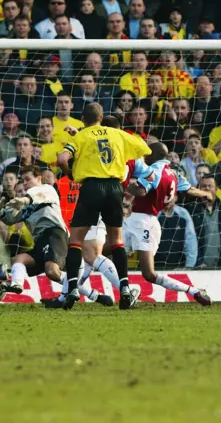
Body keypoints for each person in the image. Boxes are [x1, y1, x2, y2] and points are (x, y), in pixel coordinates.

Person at [57, 103, 151, 310]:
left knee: (76, 241)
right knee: (116, 241)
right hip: (114, 188)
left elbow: (62, 158)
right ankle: (125, 289)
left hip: (91, 187)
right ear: (101, 117)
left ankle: (72, 288)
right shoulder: (117, 134)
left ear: (83, 119)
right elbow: (144, 148)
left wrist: (70, 173)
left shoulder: (81, 136)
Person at [0, 165, 113, 306]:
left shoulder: (48, 189)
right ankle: (17, 284)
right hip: (40, 241)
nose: (25, 184)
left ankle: (81, 291)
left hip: (55, 233)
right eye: (21, 183)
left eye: (28, 179)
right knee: (18, 259)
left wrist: (25, 199)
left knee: (51, 271)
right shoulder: (26, 205)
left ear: (39, 178)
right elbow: (10, 219)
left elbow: (36, 195)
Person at [125, 142, 211, 306]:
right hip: (134, 219)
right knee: (106, 250)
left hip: (145, 222)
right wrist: (206, 193)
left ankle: (194, 291)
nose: (144, 157)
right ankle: (123, 290)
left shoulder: (154, 171)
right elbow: (188, 189)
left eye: (146, 154)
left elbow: (142, 191)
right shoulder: (174, 173)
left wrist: (125, 185)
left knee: (149, 274)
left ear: (153, 155)